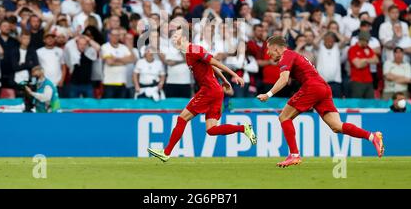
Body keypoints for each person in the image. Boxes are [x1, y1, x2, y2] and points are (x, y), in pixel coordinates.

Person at [257, 35, 384, 168]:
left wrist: (268, 94)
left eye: (268, 49)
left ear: (276, 48)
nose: (267, 52)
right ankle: (372, 136)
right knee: (337, 126)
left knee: (284, 117)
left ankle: (294, 155)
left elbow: (283, 79)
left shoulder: (286, 56)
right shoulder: (292, 55)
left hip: (312, 87)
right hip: (323, 87)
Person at [147, 28, 257, 162]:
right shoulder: (189, 52)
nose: (173, 38)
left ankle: (166, 152)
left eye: (176, 35)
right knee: (211, 130)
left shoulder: (194, 50)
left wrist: (234, 75)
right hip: (215, 90)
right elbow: (211, 65)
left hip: (209, 90)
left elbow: (215, 62)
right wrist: (224, 80)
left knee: (182, 119)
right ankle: (244, 128)